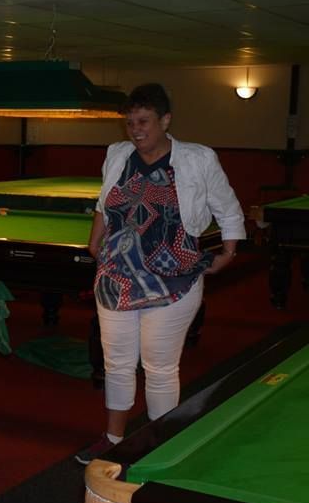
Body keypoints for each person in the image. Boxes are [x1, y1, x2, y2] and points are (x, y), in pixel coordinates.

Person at [74, 84, 245, 465]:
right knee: (116, 363)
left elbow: (228, 207)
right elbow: (104, 203)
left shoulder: (197, 159)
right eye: (130, 122)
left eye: (144, 121)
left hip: (175, 280)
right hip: (117, 278)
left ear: (165, 120)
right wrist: (94, 242)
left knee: (159, 366)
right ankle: (113, 437)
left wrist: (229, 251)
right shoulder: (117, 155)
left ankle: (160, 443)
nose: (136, 130)